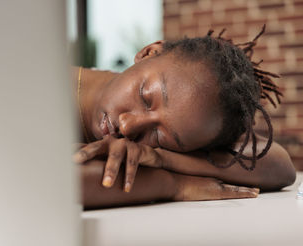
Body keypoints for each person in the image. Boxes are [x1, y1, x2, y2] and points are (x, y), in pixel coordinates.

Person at [71, 26, 296, 209]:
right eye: (145, 97)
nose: (128, 126)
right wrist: (172, 184)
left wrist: (162, 158)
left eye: (159, 136)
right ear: (150, 52)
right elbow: (52, 182)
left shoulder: (162, 143)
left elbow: (280, 166)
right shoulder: (43, 86)